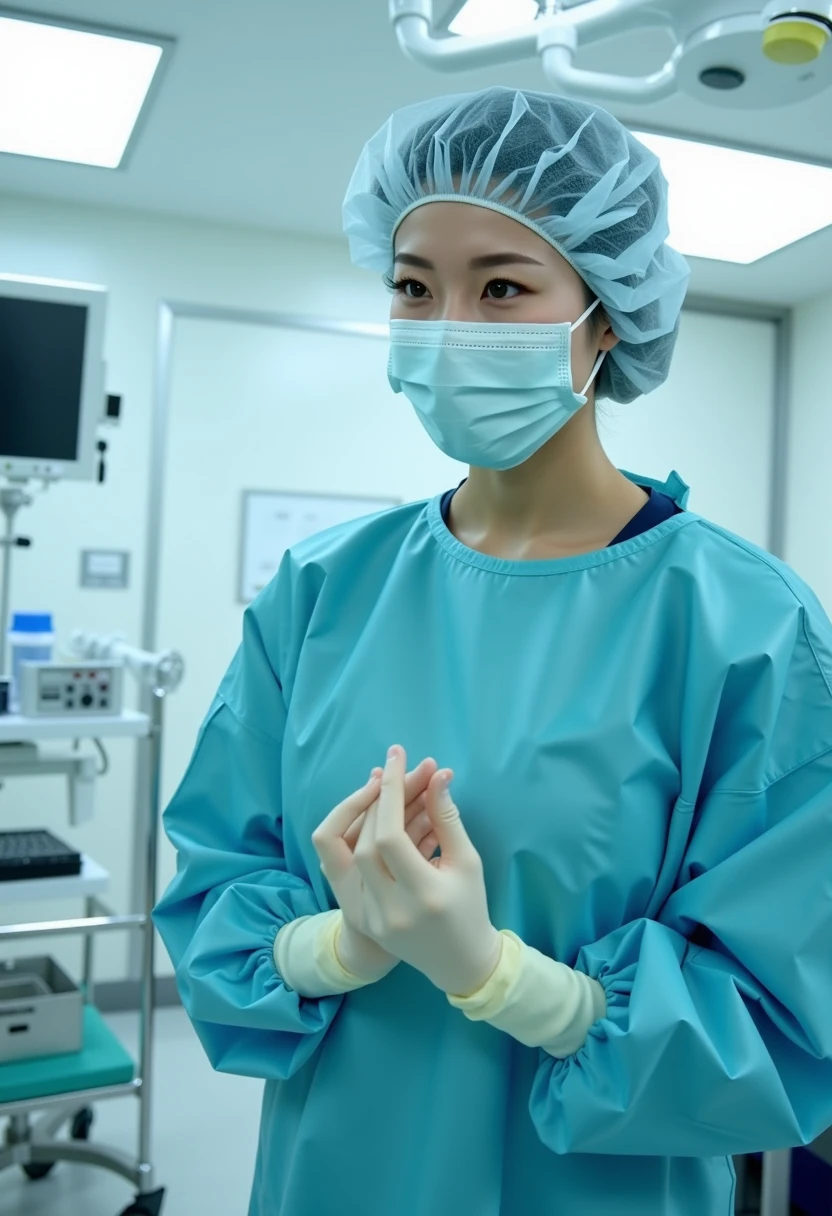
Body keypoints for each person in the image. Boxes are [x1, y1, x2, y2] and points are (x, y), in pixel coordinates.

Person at [153, 87, 832, 1216]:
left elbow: (780, 1008)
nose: (447, 324)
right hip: (331, 1178)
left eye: (503, 287)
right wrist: (331, 948)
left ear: (605, 316)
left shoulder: (743, 626)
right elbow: (219, 881)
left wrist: (511, 982)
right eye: (413, 287)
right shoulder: (324, 591)